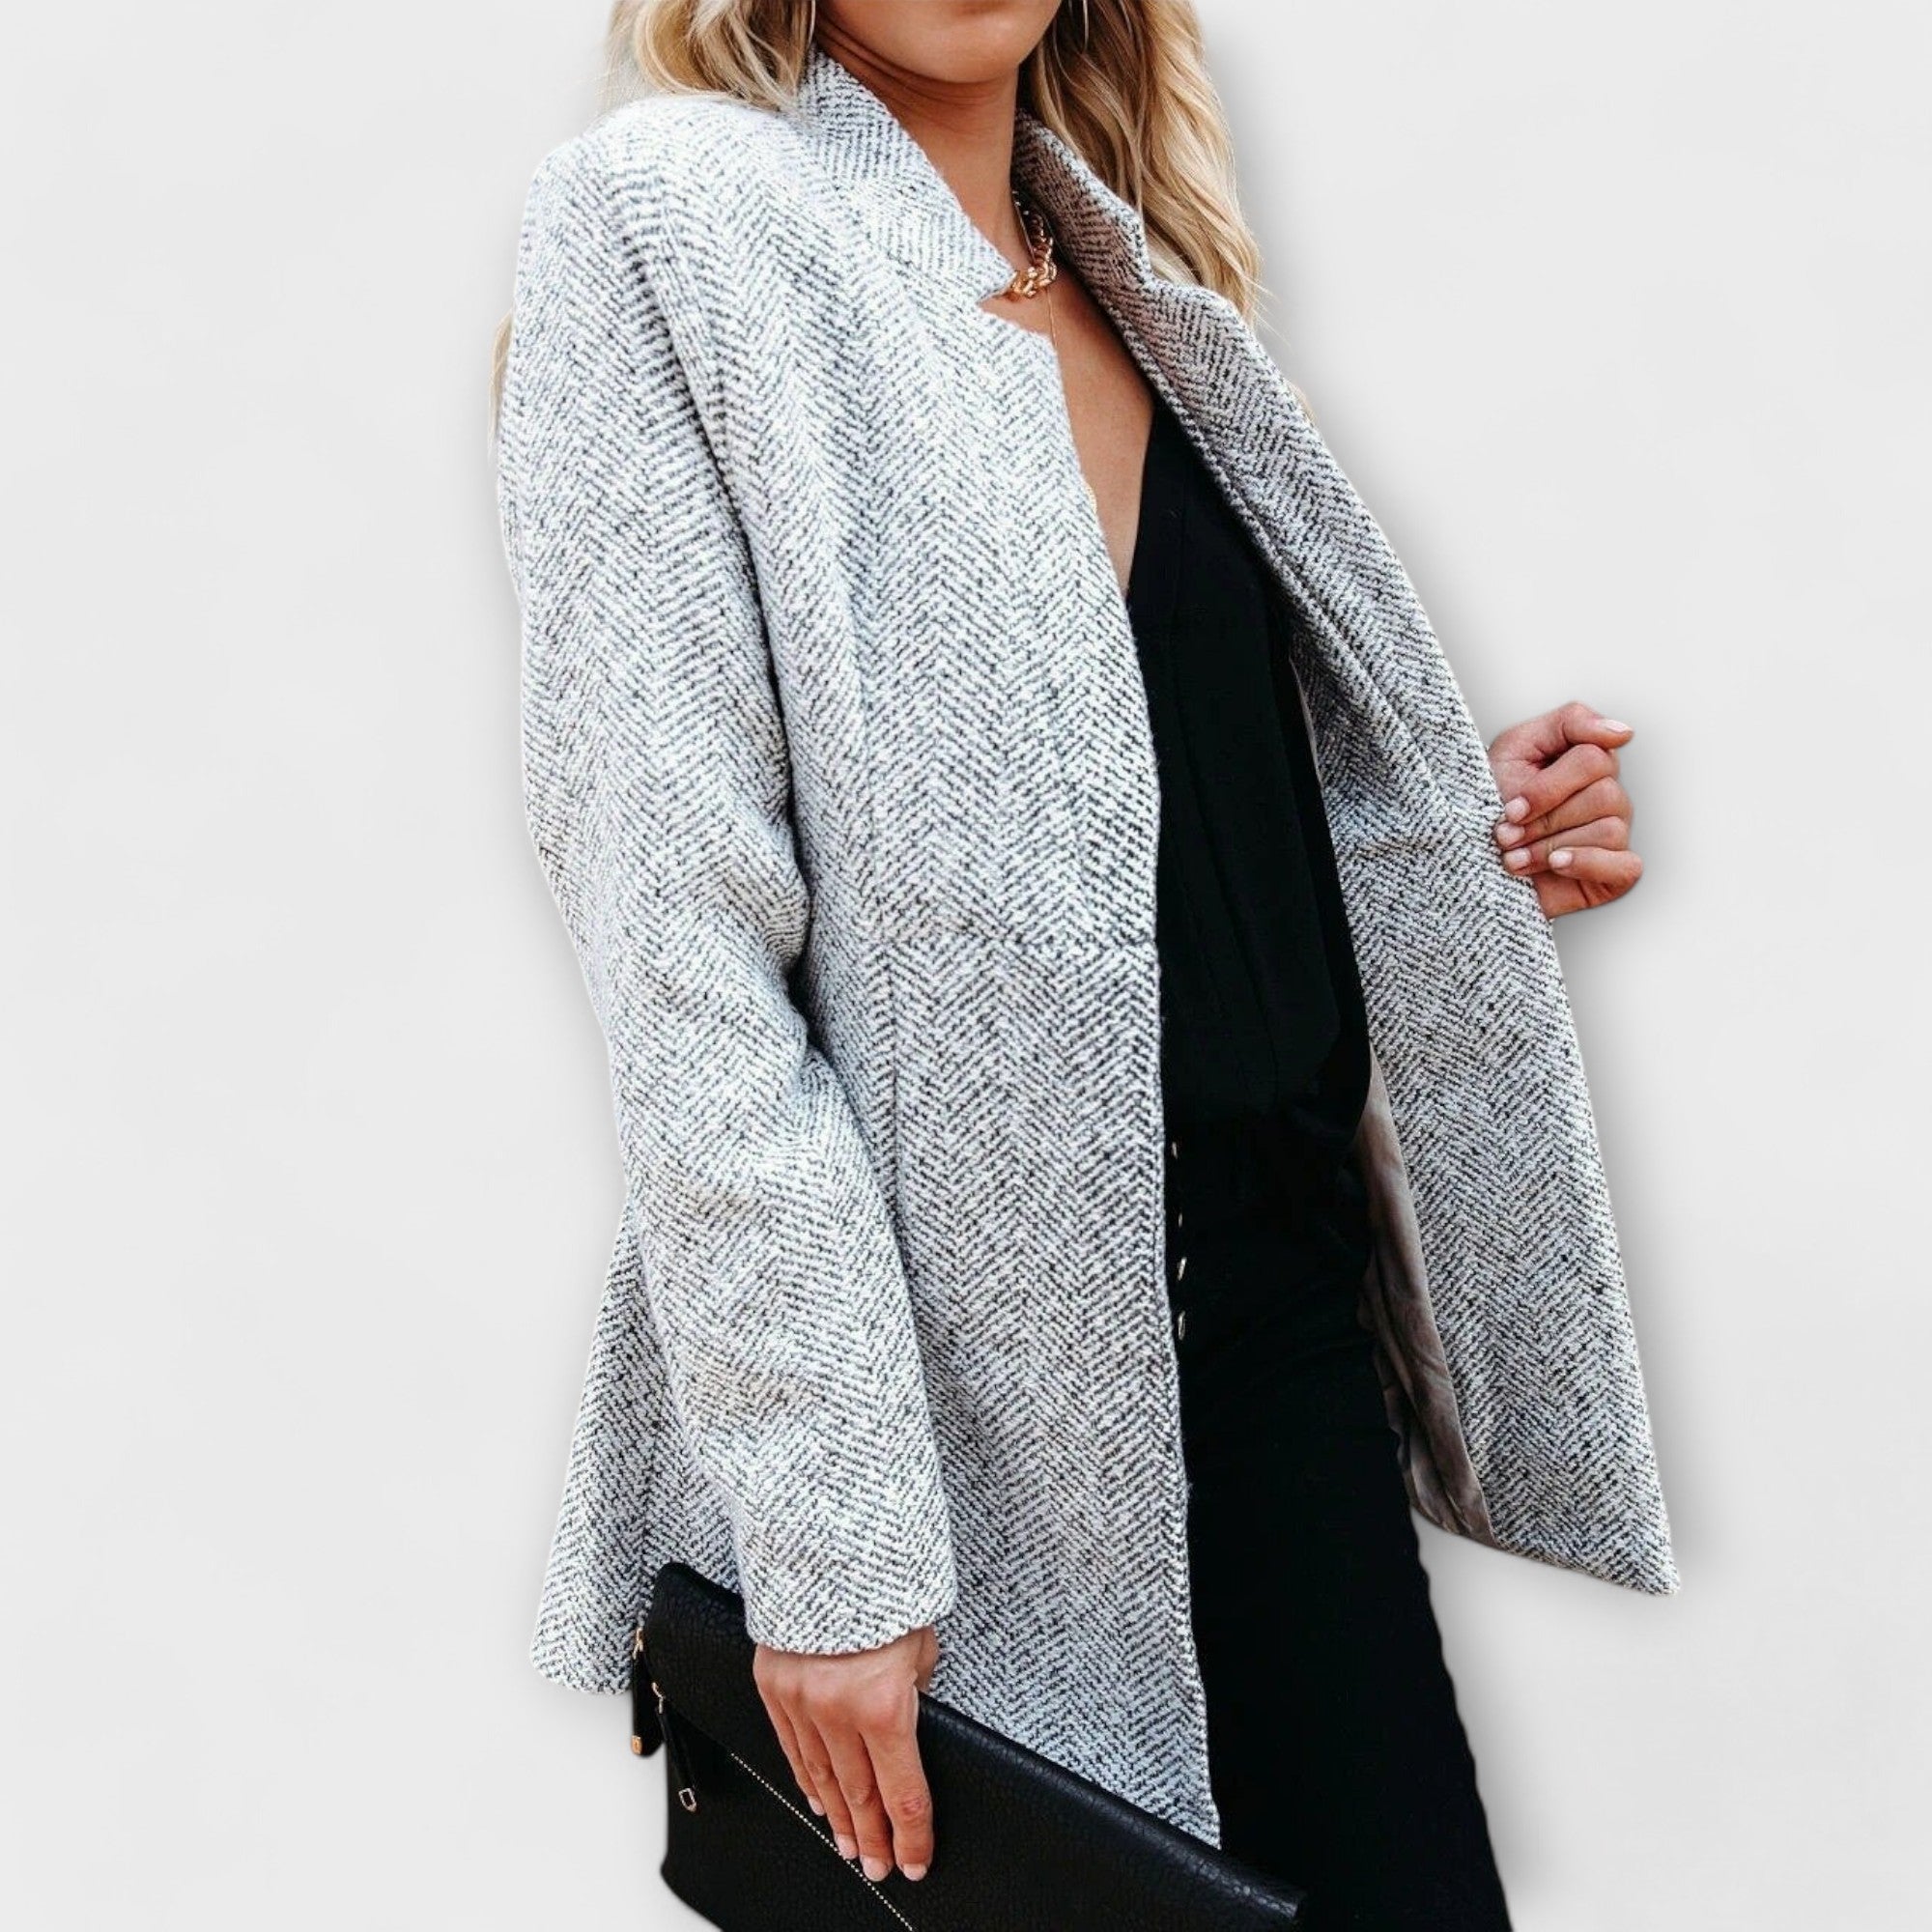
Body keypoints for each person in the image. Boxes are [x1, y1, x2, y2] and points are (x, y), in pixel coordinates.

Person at [491, 4, 1678, 1926]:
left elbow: (1104, 816)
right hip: (965, 1430)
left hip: (1285, 1350)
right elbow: (682, 956)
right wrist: (831, 1528)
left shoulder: (1129, 265)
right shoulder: (673, 220)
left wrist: (1454, 843)